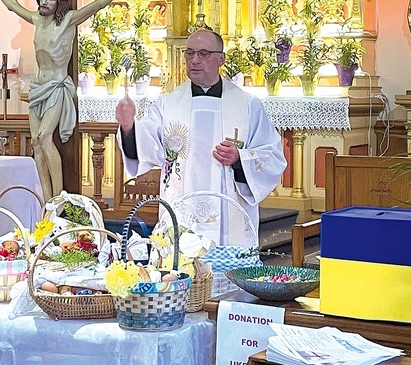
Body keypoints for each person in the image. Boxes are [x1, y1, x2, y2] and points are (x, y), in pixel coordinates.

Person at [0, 0, 141, 201]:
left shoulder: (68, 21)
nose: (42, 1)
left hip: (56, 87)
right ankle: (46, 198)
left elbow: (98, 4)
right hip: (37, 88)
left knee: (45, 137)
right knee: (35, 141)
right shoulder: (36, 19)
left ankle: (59, 197)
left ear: (59, 2)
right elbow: (12, 5)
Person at [115, 30, 286, 246]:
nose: (194, 60)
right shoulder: (167, 105)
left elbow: (272, 156)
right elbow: (147, 144)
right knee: (182, 272)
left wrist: (240, 159)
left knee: (226, 274)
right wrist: (129, 127)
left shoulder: (248, 106)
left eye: (204, 54)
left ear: (221, 59)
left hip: (229, 221)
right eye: (190, 53)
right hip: (181, 212)